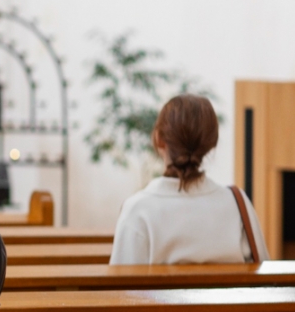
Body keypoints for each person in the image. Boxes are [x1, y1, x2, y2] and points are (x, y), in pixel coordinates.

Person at [110, 94, 269, 265]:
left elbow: (120, 287)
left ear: (159, 140)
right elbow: (264, 273)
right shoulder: (238, 204)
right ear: (212, 143)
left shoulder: (138, 210)